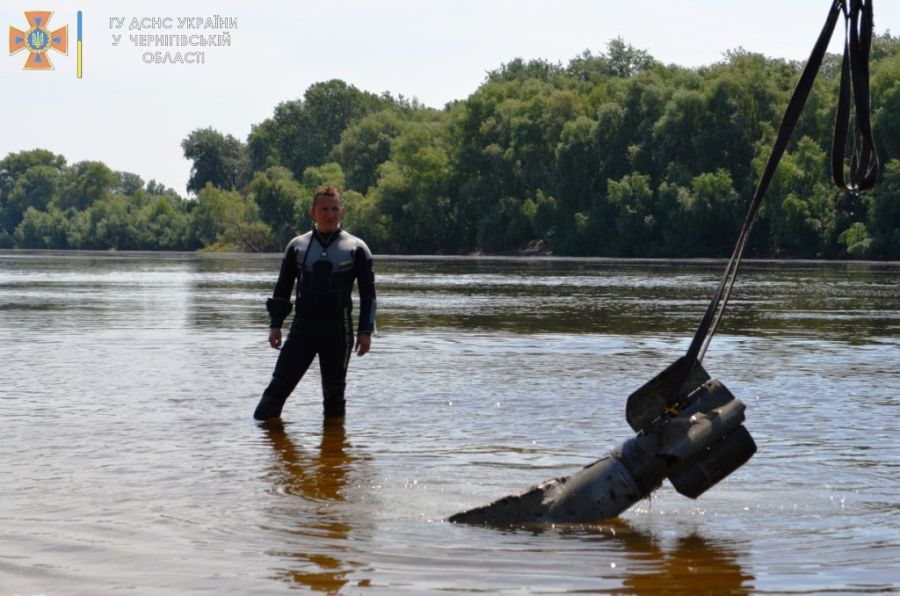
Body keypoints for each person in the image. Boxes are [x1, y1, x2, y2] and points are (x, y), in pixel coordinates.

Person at [254, 186, 376, 421]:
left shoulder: (357, 249)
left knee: (334, 398)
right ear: (313, 212)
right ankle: (269, 448)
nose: (329, 215)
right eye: (324, 209)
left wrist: (365, 332)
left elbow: (368, 295)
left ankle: (333, 454)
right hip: (303, 330)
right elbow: (283, 288)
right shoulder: (297, 247)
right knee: (275, 392)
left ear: (342, 211)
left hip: (338, 332)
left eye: (334, 209)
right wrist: (275, 325)